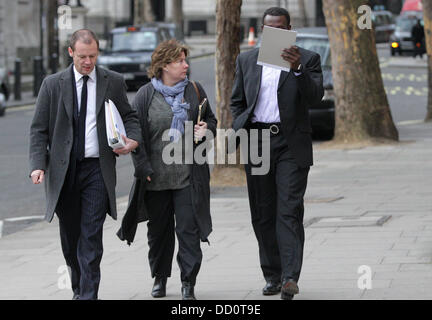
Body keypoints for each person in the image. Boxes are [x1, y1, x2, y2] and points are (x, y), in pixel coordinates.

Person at [29, 29, 141, 300]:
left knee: (91, 236)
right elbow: (38, 130)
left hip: (97, 170)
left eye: (92, 56)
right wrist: (37, 165)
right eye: (82, 56)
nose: (88, 62)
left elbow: (130, 117)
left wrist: (133, 141)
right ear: (71, 53)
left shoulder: (111, 81)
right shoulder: (52, 84)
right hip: (63, 171)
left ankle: (88, 296)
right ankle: (79, 289)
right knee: (71, 239)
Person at [230, 7, 323, 300]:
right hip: (257, 140)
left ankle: (289, 277)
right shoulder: (246, 60)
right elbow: (237, 101)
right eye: (269, 30)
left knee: (289, 209)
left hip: (291, 143)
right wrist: (239, 126)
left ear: (289, 29)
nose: (275, 35)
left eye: (280, 29)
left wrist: (297, 70)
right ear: (262, 31)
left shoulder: (307, 59)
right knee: (263, 212)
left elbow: (315, 96)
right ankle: (272, 275)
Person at [117, 39, 217, 300]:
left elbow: (211, 120)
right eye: (180, 61)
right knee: (159, 233)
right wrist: (142, 167)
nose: (186, 65)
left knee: (188, 230)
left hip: (188, 176)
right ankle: (160, 278)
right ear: (163, 66)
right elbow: (135, 133)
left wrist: (207, 129)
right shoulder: (145, 95)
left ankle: (188, 282)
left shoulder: (194, 90)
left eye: (186, 60)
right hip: (155, 178)